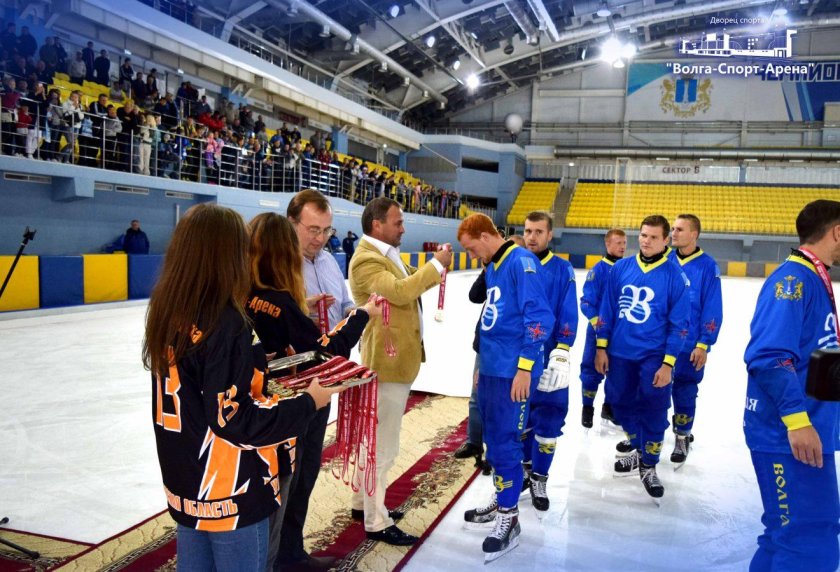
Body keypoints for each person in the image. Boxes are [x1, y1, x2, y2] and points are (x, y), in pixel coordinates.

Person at [143, 203, 340, 572]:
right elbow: (236, 420)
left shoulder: (169, 309)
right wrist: (307, 403)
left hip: (185, 476)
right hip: (229, 485)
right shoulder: (226, 320)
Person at [245, 212, 381, 571]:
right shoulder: (281, 300)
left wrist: (299, 312)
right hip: (292, 407)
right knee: (295, 480)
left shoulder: (244, 292)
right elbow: (327, 350)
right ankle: (284, 558)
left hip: (253, 410)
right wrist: (363, 316)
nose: (319, 239)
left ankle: (283, 553)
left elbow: (276, 323)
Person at [348, 197, 451, 546]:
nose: (403, 228)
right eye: (398, 222)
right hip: (385, 364)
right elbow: (401, 292)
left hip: (395, 361)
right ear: (377, 224)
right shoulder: (366, 261)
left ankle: (363, 504)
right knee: (383, 445)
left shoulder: (385, 255)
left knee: (376, 439)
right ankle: (376, 521)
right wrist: (436, 266)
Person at [743, 199, 840, 571]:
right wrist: (798, 421)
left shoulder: (813, 276)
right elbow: (768, 358)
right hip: (789, 435)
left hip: (807, 430)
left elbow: (811, 352)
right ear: (836, 232)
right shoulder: (793, 280)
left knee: (786, 533)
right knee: (808, 540)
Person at [457, 214, 554, 563]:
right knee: (494, 444)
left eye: (471, 249)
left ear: (485, 236)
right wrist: (481, 365)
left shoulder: (521, 261)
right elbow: (493, 317)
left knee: (506, 444)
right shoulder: (495, 264)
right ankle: (504, 500)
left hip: (514, 372)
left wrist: (526, 368)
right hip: (493, 368)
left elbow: (539, 319)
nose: (471, 257)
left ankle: (509, 519)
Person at [274, 190, 357, 570]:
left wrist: (353, 310)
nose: (319, 238)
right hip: (288, 388)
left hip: (322, 384)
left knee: (306, 471)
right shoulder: (277, 267)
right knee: (285, 477)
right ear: (291, 223)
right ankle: (274, 556)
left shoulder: (328, 262)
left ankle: (292, 552)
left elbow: (343, 304)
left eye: (326, 230)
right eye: (312, 229)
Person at [594, 215, 689, 500]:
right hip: (619, 354)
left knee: (654, 407)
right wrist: (601, 347)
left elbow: (679, 325)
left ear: (665, 241)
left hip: (653, 356)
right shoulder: (621, 268)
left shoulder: (675, 277)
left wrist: (668, 363)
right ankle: (639, 446)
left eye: (653, 237)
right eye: (643, 235)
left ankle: (649, 464)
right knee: (619, 404)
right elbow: (607, 310)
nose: (646, 241)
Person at [519, 212, 578, 514]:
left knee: (549, 420)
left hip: (550, 359)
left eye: (538, 231)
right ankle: (526, 471)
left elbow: (568, 310)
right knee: (522, 420)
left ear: (550, 235)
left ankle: (540, 477)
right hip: (520, 362)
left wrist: (562, 351)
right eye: (528, 231)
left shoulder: (562, 269)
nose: (532, 237)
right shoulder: (515, 264)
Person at [666, 214, 723, 466]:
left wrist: (703, 343)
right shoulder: (664, 260)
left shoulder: (708, 267)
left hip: (689, 344)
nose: (673, 233)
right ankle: (645, 437)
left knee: (685, 389)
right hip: (660, 341)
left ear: (694, 234)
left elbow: (712, 306)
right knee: (651, 389)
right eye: (672, 229)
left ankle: (681, 435)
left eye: (679, 229)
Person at [579, 229, 627, 428]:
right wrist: (599, 325)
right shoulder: (598, 270)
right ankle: (587, 408)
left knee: (617, 371)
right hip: (598, 332)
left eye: (624, 242)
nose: (622, 246)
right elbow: (586, 302)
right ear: (607, 244)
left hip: (621, 332)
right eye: (618, 243)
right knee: (591, 369)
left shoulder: (628, 268)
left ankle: (609, 407)